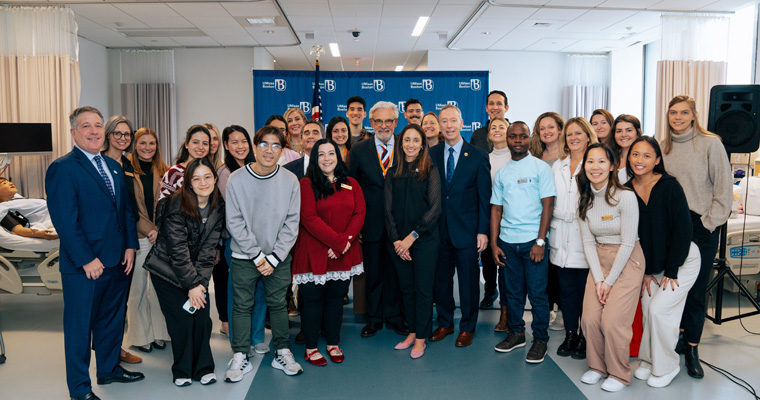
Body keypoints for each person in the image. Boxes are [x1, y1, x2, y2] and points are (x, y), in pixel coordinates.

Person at [46, 106, 144, 400]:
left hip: (118, 260)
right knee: (79, 329)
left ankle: (109, 368)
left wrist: (130, 245)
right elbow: (65, 220)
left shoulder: (114, 166)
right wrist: (87, 259)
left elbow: (126, 212)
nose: (93, 131)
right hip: (84, 266)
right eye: (86, 126)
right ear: (73, 132)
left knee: (112, 320)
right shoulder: (63, 168)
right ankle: (79, 389)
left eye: (98, 125)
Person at [660, 94, 732, 379]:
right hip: (670, 228)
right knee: (671, 285)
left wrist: (710, 223)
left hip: (700, 225)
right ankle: (673, 339)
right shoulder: (662, 146)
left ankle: (691, 348)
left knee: (695, 290)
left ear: (693, 115)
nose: (677, 117)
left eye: (684, 112)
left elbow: (723, 189)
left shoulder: (710, 143)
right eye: (673, 112)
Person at [225, 126, 303, 381]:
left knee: (278, 305)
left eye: (276, 145)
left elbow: (292, 224)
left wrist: (273, 257)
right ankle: (239, 355)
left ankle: (282, 350)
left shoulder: (291, 180)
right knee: (242, 306)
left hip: (277, 258)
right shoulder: (236, 178)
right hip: (245, 257)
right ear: (255, 146)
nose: (269, 150)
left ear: (283, 150)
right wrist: (258, 256)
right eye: (264, 144)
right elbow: (234, 222)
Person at [625, 136, 701, 388]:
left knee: (660, 311)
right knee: (648, 310)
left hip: (682, 262)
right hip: (652, 267)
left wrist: (670, 269)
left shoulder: (669, 185)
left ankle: (668, 366)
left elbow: (683, 229)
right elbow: (633, 236)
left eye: (647, 155)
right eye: (635, 154)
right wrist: (645, 271)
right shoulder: (626, 190)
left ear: (657, 160)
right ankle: (648, 361)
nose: (640, 160)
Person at [144, 157, 224, 387]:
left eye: (208, 177)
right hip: (166, 272)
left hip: (194, 276)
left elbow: (209, 250)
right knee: (181, 322)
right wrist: (192, 285)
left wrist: (200, 285)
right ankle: (182, 370)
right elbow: (177, 250)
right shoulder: (174, 205)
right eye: (196, 178)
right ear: (188, 182)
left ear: (215, 179)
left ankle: (204, 368)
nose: (203, 182)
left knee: (202, 320)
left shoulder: (218, 206)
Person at [576, 143, 644, 392]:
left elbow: (627, 243)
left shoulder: (625, 196)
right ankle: (597, 367)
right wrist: (597, 279)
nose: (595, 167)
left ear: (613, 166)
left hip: (627, 261)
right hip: (598, 260)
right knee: (591, 319)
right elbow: (587, 242)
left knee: (613, 321)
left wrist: (609, 281)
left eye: (602, 161)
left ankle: (619, 373)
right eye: (590, 161)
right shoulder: (584, 198)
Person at [294, 138, 366, 366]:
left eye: (331, 153)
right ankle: (311, 347)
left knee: (336, 299)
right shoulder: (306, 183)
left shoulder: (351, 183)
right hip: (315, 251)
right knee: (313, 300)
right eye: (321, 154)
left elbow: (359, 213)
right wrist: (338, 242)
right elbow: (309, 218)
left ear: (338, 156)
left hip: (343, 250)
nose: (327, 158)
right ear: (315, 159)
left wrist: (345, 241)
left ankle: (333, 343)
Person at [490, 121, 555, 363]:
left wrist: (540, 240)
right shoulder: (502, 173)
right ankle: (517, 333)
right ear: (507, 139)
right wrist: (495, 244)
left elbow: (548, 204)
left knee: (538, 294)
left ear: (530, 139)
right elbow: (496, 209)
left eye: (523, 136)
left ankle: (540, 339)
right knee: (513, 293)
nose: (517, 140)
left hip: (532, 243)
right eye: (513, 136)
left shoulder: (540, 168)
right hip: (508, 243)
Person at [429, 104, 491, 347]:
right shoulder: (431, 154)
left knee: (467, 282)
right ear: (440, 125)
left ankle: (467, 326)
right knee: (441, 281)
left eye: (453, 120)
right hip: (438, 230)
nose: (449, 125)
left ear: (462, 123)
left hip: (467, 230)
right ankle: (445, 322)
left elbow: (484, 197)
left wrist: (483, 230)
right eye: (444, 121)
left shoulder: (477, 155)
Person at [348, 101, 409, 338]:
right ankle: (373, 318)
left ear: (396, 122)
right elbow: (350, 186)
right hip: (370, 224)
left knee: (395, 272)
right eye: (378, 121)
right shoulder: (359, 149)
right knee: (372, 273)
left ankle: (394, 317)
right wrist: (356, 223)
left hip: (400, 224)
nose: (384, 125)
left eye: (389, 121)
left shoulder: (406, 147)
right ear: (371, 123)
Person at [385, 125, 441, 359]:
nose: (410, 144)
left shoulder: (431, 170)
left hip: (424, 240)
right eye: (406, 139)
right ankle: (411, 331)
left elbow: (435, 209)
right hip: (399, 243)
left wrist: (411, 237)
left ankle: (421, 339)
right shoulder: (393, 170)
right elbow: (387, 210)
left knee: (423, 290)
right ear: (401, 143)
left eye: (415, 140)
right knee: (406, 290)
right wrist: (398, 240)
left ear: (422, 144)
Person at [548, 117, 598, 360]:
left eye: (579, 133)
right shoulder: (558, 165)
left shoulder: (595, 162)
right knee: (566, 292)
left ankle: (586, 337)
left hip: (586, 238)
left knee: (587, 294)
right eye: (569, 134)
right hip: (560, 238)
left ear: (588, 135)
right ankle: (570, 334)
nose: (574, 138)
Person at [124, 127, 171, 356]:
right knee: (138, 290)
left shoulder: (164, 171)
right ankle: (140, 336)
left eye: (151, 143)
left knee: (160, 288)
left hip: (161, 237)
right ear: (135, 144)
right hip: (138, 238)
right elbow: (129, 208)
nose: (147, 148)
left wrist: (160, 229)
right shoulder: (124, 171)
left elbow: (170, 205)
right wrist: (150, 229)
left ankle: (160, 333)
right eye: (143, 143)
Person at [215, 125, 259, 349]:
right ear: (225, 145)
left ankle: (254, 336)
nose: (240, 146)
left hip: (260, 238)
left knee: (257, 290)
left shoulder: (256, 167)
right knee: (239, 292)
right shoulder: (225, 173)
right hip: (237, 239)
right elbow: (238, 209)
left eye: (243, 141)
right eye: (234, 142)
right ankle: (238, 339)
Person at [530, 111, 565, 327]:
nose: (547, 131)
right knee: (546, 270)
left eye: (551, 127)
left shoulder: (569, 157)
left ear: (560, 129)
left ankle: (562, 312)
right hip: (541, 221)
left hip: (563, 220)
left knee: (562, 268)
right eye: (542, 128)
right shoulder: (535, 158)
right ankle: (550, 309)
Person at [484, 118, 510, 328]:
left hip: (512, 220)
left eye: (502, 126)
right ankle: (495, 301)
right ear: (489, 134)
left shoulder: (518, 157)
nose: (498, 130)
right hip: (490, 218)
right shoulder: (483, 158)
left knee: (507, 267)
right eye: (494, 127)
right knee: (491, 262)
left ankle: (507, 311)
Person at [159, 125, 211, 200]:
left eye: (205, 143)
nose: (201, 147)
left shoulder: (210, 171)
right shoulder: (174, 173)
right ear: (187, 144)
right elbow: (163, 205)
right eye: (196, 142)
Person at [609, 114, 642, 183]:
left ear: (638, 132)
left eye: (629, 130)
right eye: (619, 131)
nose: (623, 135)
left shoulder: (642, 159)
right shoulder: (609, 156)